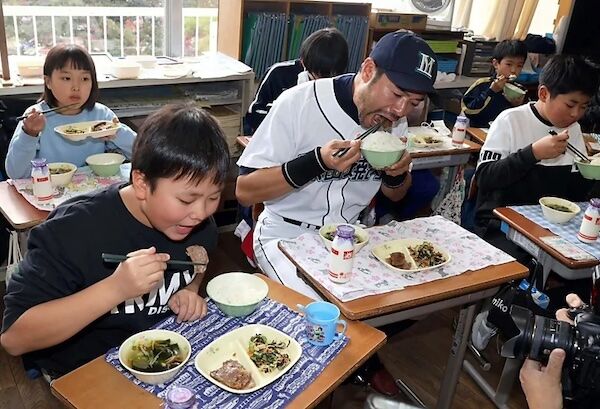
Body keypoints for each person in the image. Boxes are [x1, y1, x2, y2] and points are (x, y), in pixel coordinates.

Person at [0, 103, 230, 379]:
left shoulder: (195, 223)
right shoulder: (74, 229)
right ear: (142, 184)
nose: (202, 212)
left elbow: (197, 262)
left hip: (164, 357)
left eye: (214, 197)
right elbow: (14, 338)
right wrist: (116, 288)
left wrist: (190, 290)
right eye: (186, 199)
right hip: (87, 370)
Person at [236, 30, 436, 299]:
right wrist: (316, 162)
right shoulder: (299, 102)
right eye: (396, 94)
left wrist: (396, 176)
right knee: (325, 313)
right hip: (285, 235)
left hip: (352, 238)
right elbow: (245, 190)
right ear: (367, 70)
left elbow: (396, 195)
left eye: (413, 103)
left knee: (411, 295)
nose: (400, 111)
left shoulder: (394, 123)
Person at [474, 54, 600, 258]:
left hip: (551, 226)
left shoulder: (573, 129)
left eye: (584, 106)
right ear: (543, 94)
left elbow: (575, 196)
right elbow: (485, 179)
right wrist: (532, 153)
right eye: (570, 105)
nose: (576, 114)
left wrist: (591, 174)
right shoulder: (510, 121)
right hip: (501, 224)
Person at [5, 44, 136, 179]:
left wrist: (117, 132)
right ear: (48, 81)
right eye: (66, 78)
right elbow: (16, 174)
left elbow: (142, 155)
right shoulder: (36, 118)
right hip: (50, 191)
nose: (76, 87)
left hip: (93, 190)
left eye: (84, 79)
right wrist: (29, 134)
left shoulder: (101, 115)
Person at [244, 27, 349, 134]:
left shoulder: (341, 83)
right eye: (318, 75)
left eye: (330, 77)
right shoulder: (279, 73)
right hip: (277, 137)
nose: (323, 81)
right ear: (304, 63)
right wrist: (284, 115)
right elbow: (253, 114)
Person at [462, 39, 529, 128]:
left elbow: (525, 119)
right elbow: (468, 110)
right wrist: (491, 91)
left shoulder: (520, 90)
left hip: (505, 133)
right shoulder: (483, 84)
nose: (514, 70)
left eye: (519, 66)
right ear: (496, 64)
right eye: (509, 64)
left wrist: (519, 105)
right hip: (479, 131)